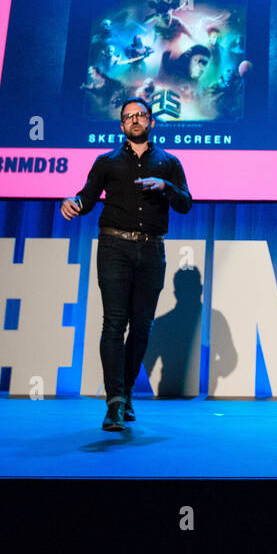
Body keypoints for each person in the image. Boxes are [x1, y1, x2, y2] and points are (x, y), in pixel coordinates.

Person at [60, 97, 193, 431]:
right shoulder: (106, 162)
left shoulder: (169, 163)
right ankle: (115, 401)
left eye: (141, 115)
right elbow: (86, 199)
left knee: (142, 326)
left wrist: (166, 187)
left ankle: (125, 390)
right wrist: (72, 202)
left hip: (151, 250)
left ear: (151, 122)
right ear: (121, 125)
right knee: (114, 323)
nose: (135, 120)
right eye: (128, 116)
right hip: (114, 246)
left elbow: (186, 204)